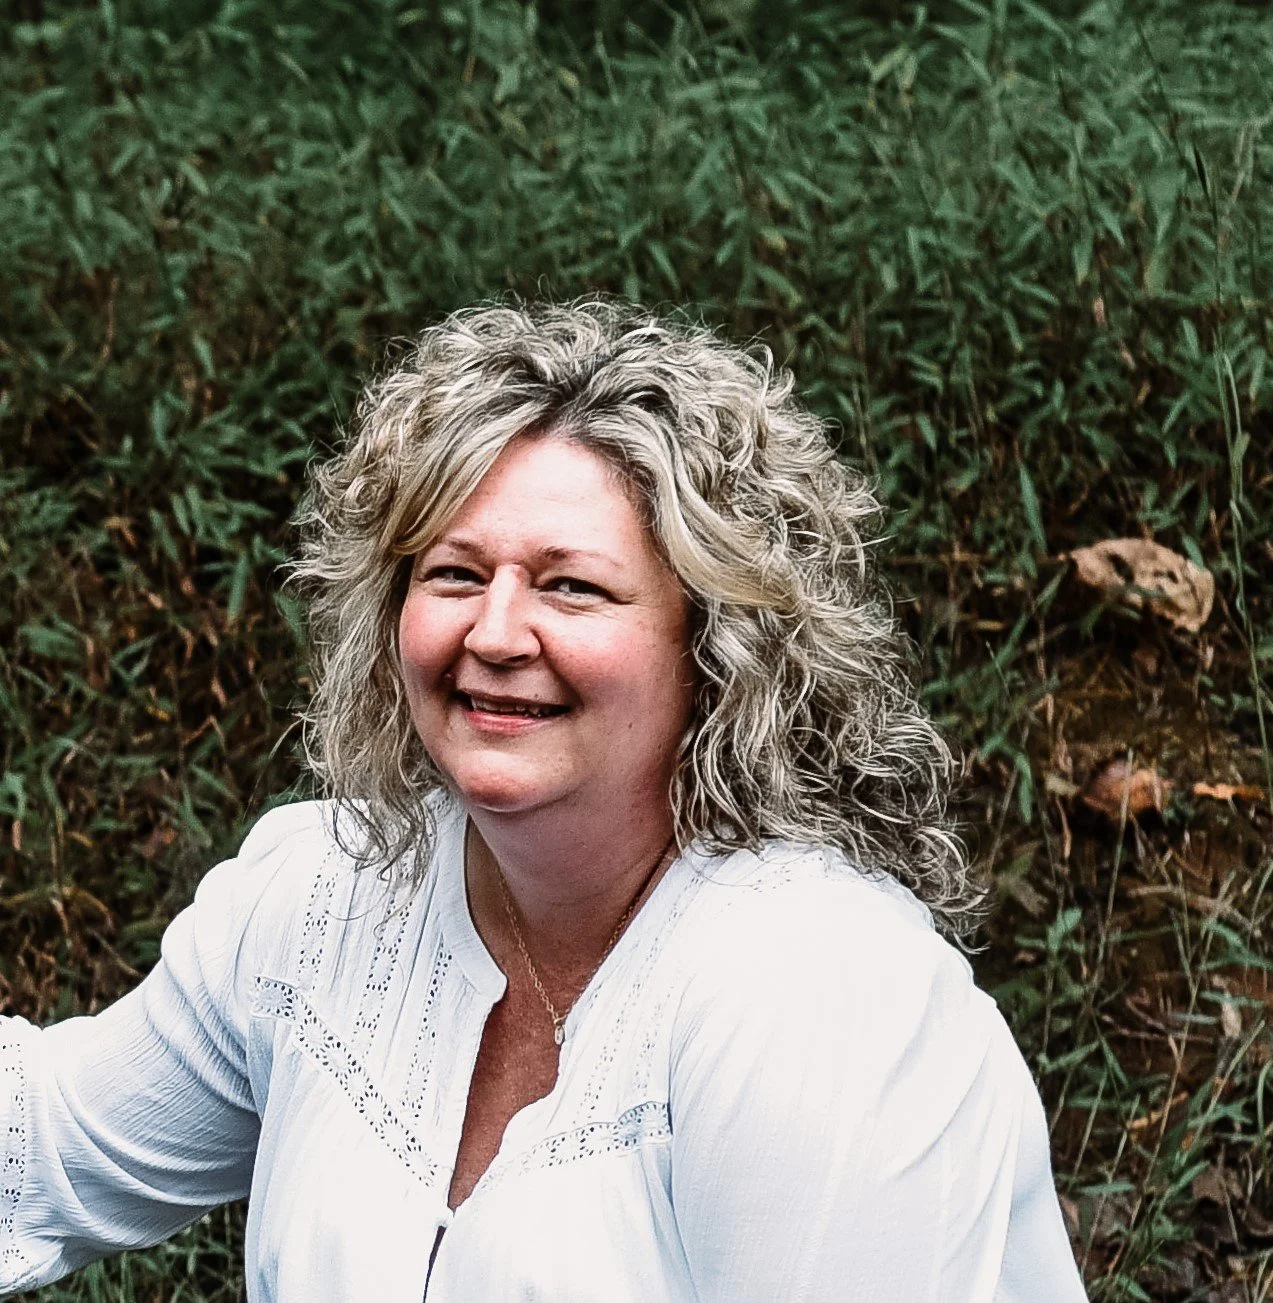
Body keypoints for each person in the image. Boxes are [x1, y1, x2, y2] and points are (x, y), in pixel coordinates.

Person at [0, 301, 1088, 1301]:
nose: (496, 633)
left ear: (714, 647)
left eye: (572, 585)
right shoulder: (326, 895)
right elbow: (44, 1147)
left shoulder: (820, 995)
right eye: (455, 575)